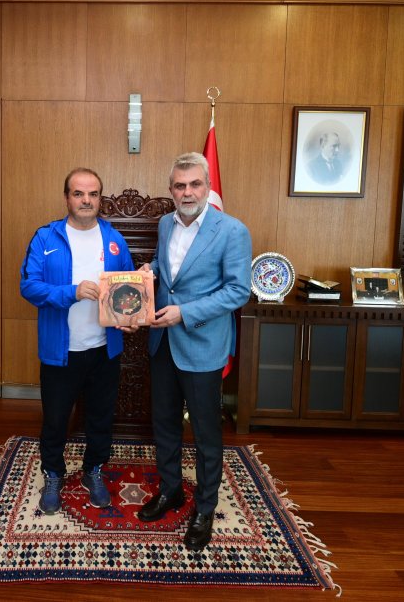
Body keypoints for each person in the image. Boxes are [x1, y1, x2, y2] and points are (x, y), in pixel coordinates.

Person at [137, 152, 252, 551]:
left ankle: (205, 507)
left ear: (208, 187)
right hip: (162, 343)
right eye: (179, 186)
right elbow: (167, 267)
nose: (187, 192)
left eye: (195, 184)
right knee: (165, 423)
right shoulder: (165, 223)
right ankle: (171, 491)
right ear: (171, 190)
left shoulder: (232, 230)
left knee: (205, 433)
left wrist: (185, 313)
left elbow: (238, 291)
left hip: (202, 343)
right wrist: (149, 271)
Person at [20, 167, 135, 515]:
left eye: (93, 194)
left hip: (104, 350)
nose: (86, 200)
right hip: (61, 352)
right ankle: (54, 474)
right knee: (56, 420)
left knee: (100, 418)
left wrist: (130, 315)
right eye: (78, 193)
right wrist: (71, 292)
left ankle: (93, 470)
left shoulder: (114, 239)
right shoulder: (45, 237)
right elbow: (29, 286)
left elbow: (127, 286)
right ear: (67, 197)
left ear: (101, 198)